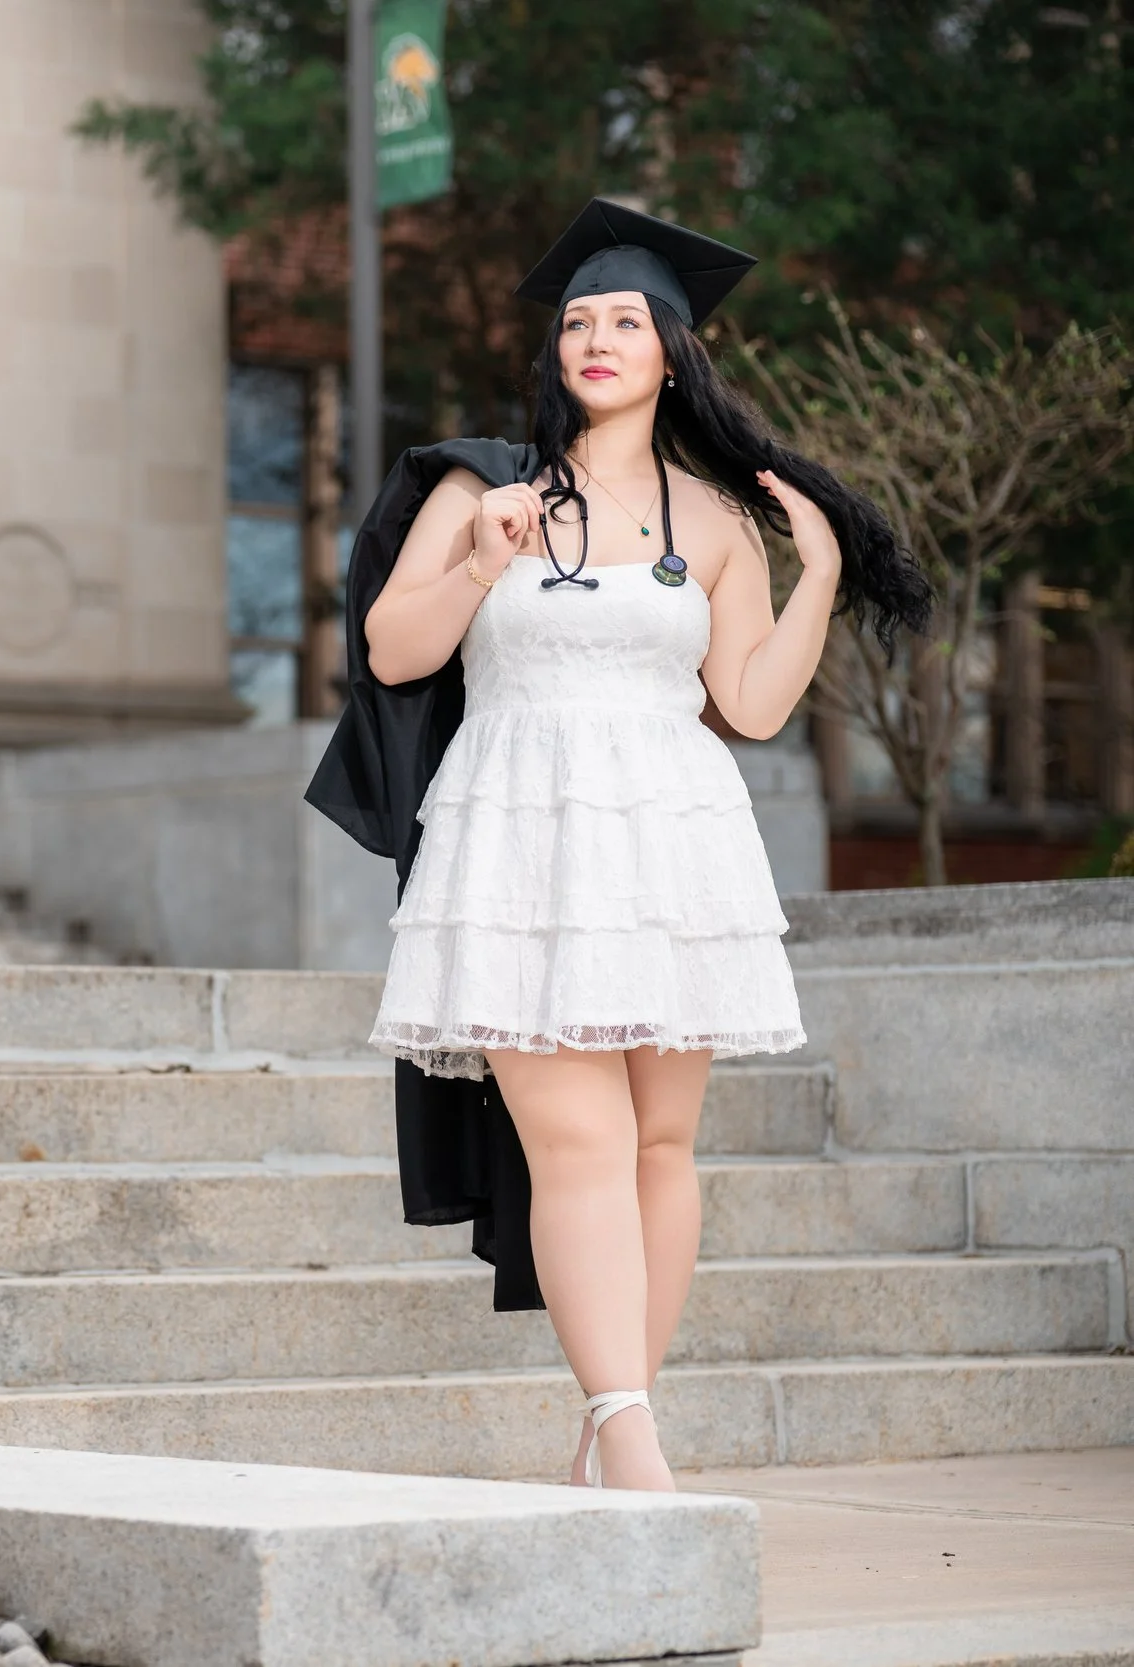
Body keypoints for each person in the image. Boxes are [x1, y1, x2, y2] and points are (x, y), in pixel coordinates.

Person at [307, 200, 932, 1491]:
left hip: (672, 835)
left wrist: (815, 572)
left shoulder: (713, 522)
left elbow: (751, 708)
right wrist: (482, 561)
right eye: (578, 320)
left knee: (660, 1146)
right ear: (556, 353)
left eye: (626, 320)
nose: (596, 336)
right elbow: (392, 651)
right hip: (520, 834)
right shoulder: (484, 488)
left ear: (673, 352)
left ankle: (612, 1423)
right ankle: (635, 1446)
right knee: (578, 1144)